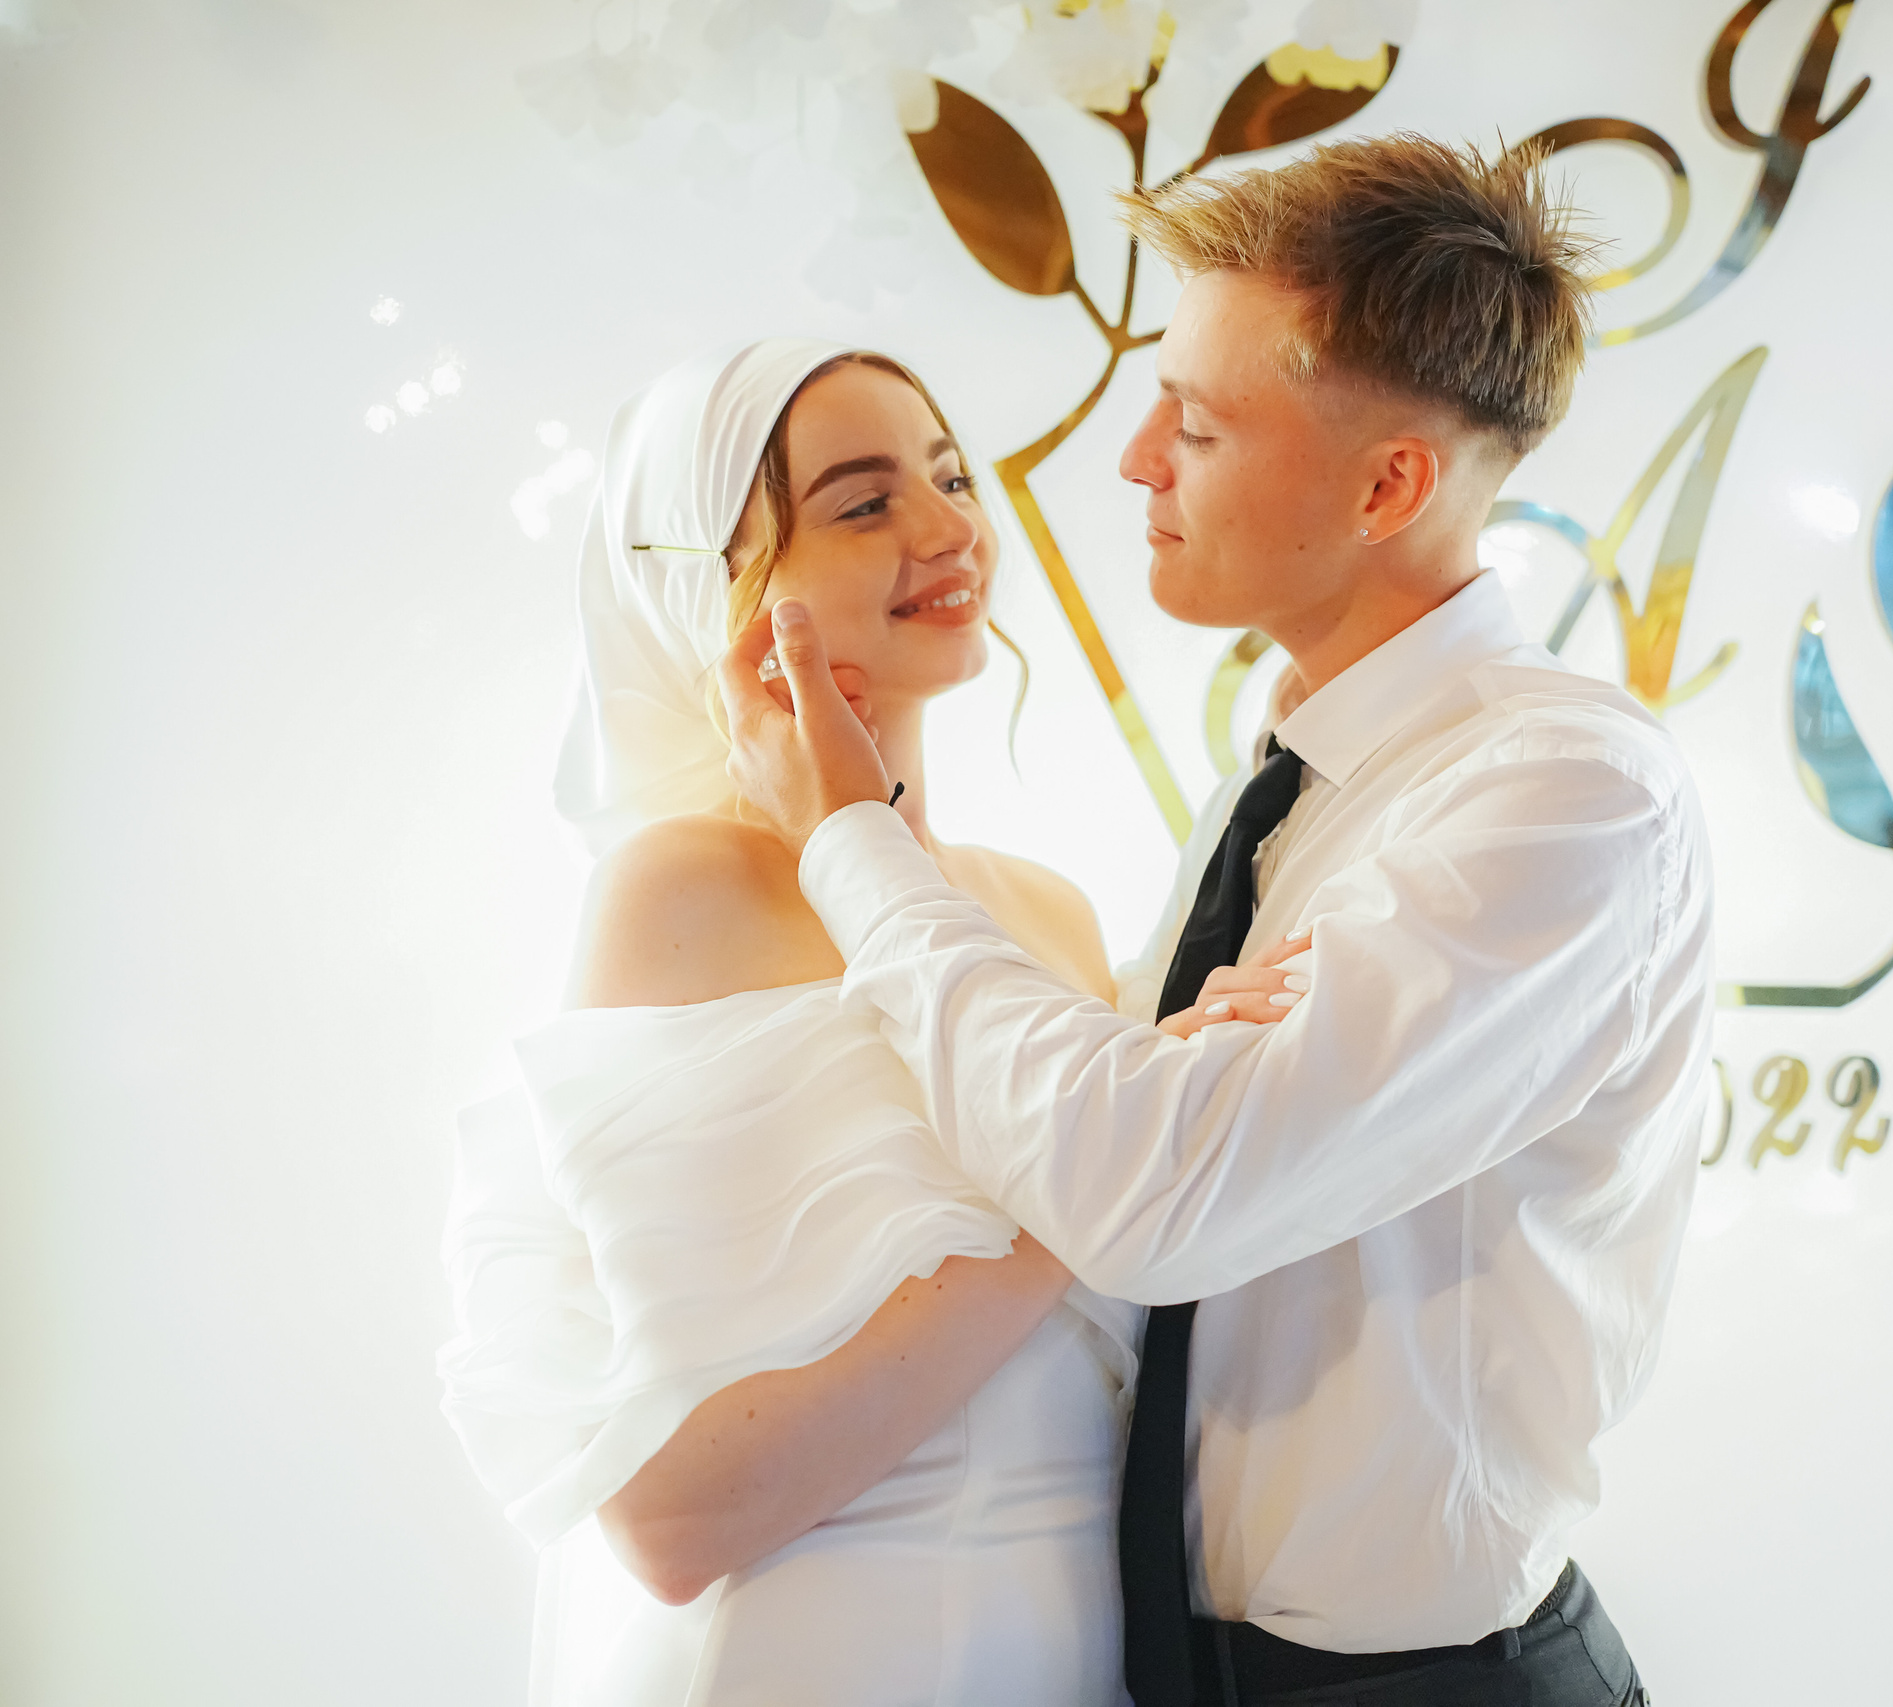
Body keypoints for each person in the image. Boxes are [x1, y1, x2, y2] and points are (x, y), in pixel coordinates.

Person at [721, 136, 1711, 1707]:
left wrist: (855, 845)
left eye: (1191, 422)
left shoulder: (1565, 796)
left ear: (1388, 486)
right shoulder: (1290, 780)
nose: (1133, 462)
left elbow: (1145, 1191)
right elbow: (1132, 1157)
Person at [438, 337, 1291, 1704]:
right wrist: (1103, 1179)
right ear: (719, 596)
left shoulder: (1049, 913)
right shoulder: (685, 889)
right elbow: (675, 1521)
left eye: (949, 477)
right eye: (862, 501)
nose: (950, 527)